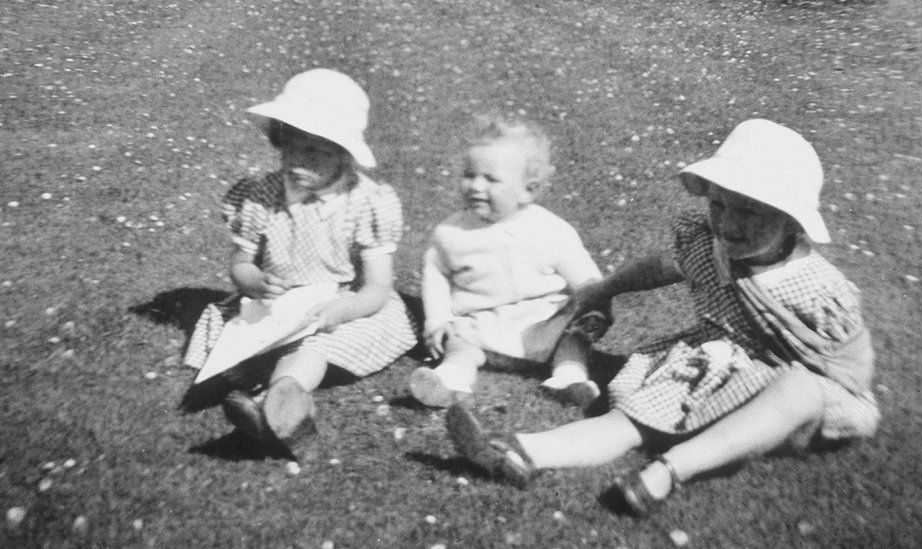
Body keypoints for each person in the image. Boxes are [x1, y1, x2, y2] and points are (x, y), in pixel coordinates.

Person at [445, 119, 880, 515]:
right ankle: (522, 452)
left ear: (790, 221)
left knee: (798, 390)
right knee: (631, 421)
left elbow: (850, 371)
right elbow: (659, 267)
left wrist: (807, 390)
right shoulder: (710, 245)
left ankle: (668, 472)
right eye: (720, 206)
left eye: (748, 211)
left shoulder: (819, 289)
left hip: (792, 399)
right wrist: (606, 287)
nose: (727, 223)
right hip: (715, 367)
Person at [183, 69, 417, 457]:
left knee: (315, 348)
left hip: (336, 304)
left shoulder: (366, 203)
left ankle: (277, 403)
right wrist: (254, 281)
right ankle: (274, 411)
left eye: (315, 152)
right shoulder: (261, 196)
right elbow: (240, 263)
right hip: (276, 303)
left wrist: (347, 307)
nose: (297, 160)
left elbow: (378, 287)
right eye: (289, 146)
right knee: (233, 333)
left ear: (344, 154)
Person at [408, 115, 606, 408]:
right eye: (469, 175)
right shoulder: (450, 233)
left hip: (543, 326)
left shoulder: (550, 230)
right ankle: (451, 379)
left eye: (490, 179)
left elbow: (586, 278)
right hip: (481, 329)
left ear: (528, 189)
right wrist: (437, 320)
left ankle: (569, 378)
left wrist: (595, 308)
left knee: (573, 338)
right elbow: (436, 276)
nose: (475, 186)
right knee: (458, 345)